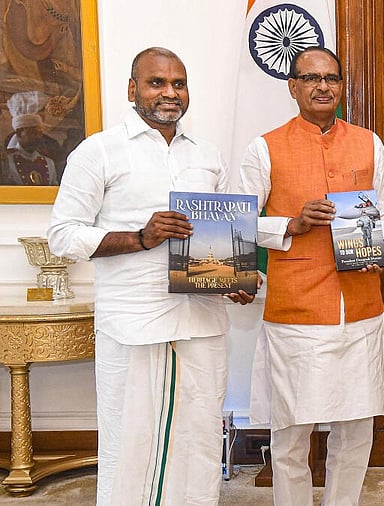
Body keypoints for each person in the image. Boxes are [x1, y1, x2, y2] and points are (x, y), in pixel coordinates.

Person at [47, 47, 255, 505]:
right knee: (131, 441)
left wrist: (235, 278)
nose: (170, 93)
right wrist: (141, 238)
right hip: (134, 324)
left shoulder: (207, 155)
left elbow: (221, 234)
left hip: (203, 321)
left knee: (199, 440)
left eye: (179, 83)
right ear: (132, 89)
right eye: (156, 82)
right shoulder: (99, 151)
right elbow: (62, 235)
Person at [240, 46, 384, 506]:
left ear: (341, 86)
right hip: (296, 312)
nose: (322, 86)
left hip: (360, 307)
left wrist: (379, 243)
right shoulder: (264, 147)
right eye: (311, 78)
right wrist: (291, 223)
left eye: (331, 78)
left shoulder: (368, 142)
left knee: (357, 424)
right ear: (293, 87)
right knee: (292, 428)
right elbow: (239, 222)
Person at [2, 91, 66, 185]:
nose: (38, 137)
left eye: (39, 133)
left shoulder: (49, 163)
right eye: (33, 133)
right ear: (19, 133)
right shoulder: (7, 162)